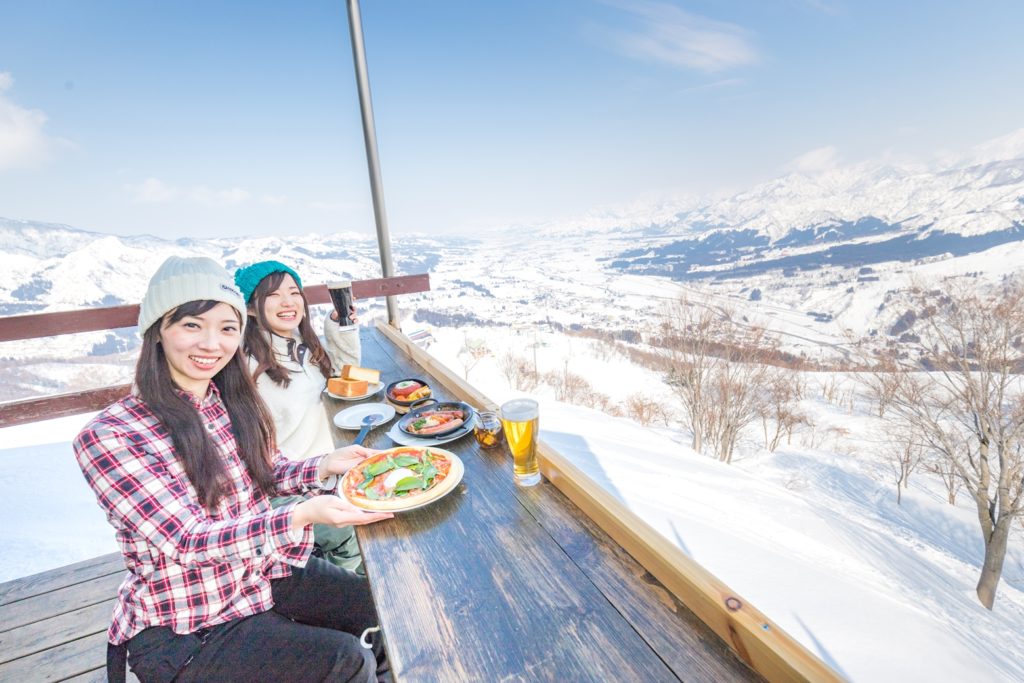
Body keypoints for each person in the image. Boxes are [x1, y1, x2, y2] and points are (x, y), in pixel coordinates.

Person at [73, 256, 392, 683]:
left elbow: (268, 469)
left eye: (226, 328)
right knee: (344, 660)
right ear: (157, 332)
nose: (211, 344)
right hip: (189, 621)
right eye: (191, 325)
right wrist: (300, 514)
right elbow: (187, 540)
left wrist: (325, 465)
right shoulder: (112, 436)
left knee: (377, 607)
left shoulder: (226, 400)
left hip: (259, 571)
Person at [233, 260, 365, 573]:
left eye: (294, 292)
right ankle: (355, 590)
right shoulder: (245, 365)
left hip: (327, 467)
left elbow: (342, 378)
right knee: (354, 529)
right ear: (251, 309)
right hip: (287, 486)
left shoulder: (301, 346)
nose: (288, 302)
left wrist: (338, 324)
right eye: (274, 296)